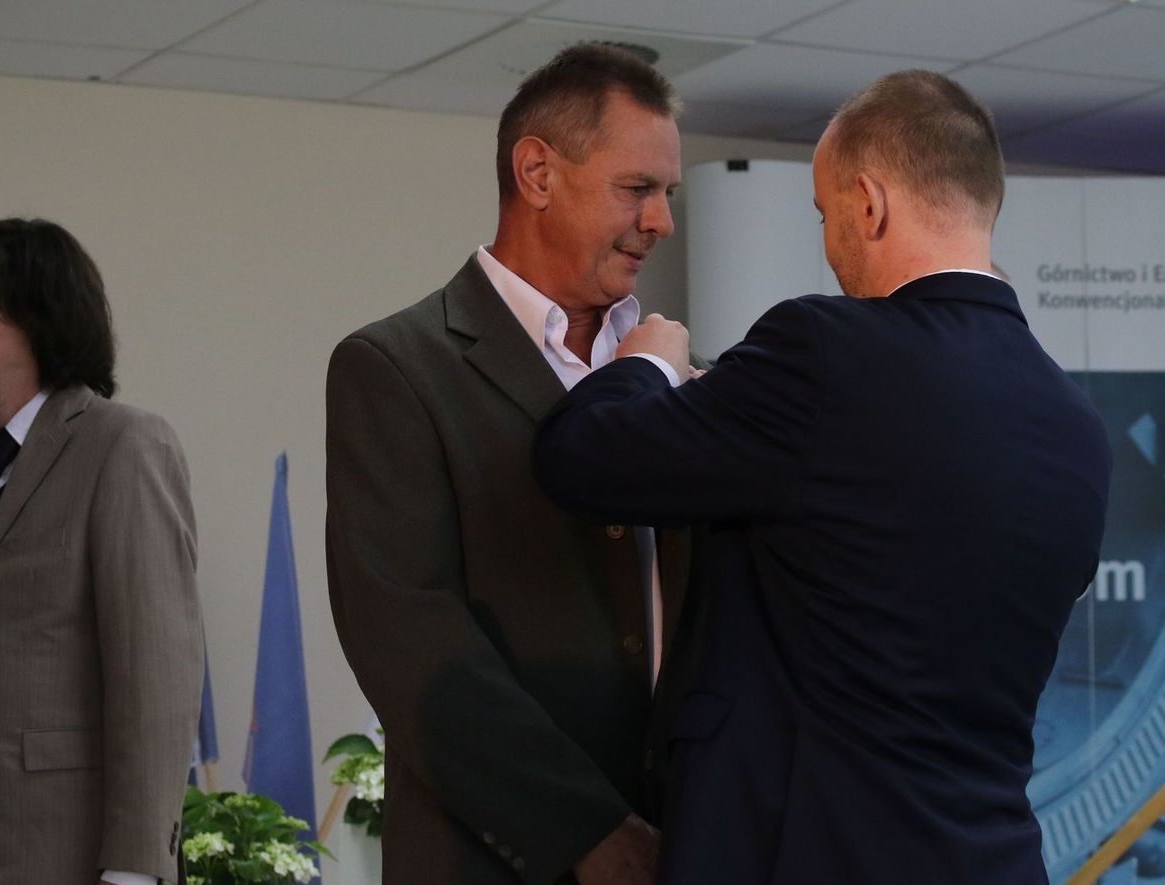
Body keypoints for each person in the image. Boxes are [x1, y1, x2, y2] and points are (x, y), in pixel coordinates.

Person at [534, 70, 1112, 883]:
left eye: (824, 214)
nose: (829, 243)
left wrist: (648, 366)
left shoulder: (827, 351)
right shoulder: (1078, 428)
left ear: (868, 204)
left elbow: (580, 457)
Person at [326, 43, 690, 885]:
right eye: (637, 188)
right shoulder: (397, 368)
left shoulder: (678, 372)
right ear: (537, 173)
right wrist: (593, 833)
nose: (661, 221)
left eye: (667, 193)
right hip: (497, 861)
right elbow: (411, 643)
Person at [0, 218, 202, 885]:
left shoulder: (124, 446)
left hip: (67, 854)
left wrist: (134, 870)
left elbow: (156, 678)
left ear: (37, 307)